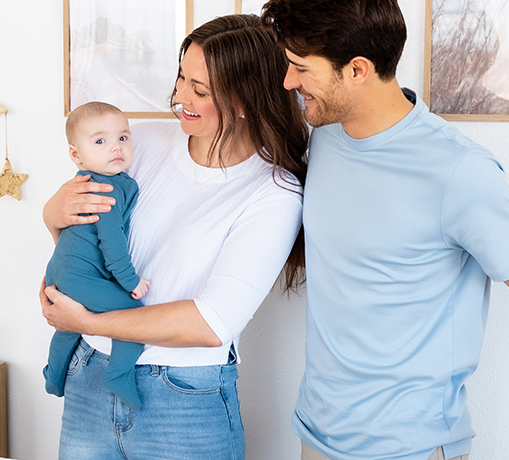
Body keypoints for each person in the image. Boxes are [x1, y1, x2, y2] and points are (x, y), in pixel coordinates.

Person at [260, 1, 509, 460]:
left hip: (407, 448)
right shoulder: (327, 136)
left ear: (357, 70)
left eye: (299, 69)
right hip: (316, 434)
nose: (289, 81)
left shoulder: (459, 170)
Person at [40, 14, 309, 460]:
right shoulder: (135, 145)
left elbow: (209, 324)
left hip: (183, 399)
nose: (180, 95)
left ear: (246, 101)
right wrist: (51, 216)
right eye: (182, 76)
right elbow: (81, 240)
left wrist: (83, 321)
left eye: (200, 90)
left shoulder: (273, 192)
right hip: (88, 373)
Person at [43, 101, 151, 412]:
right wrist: (131, 281)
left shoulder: (94, 184)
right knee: (133, 318)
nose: (115, 148)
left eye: (123, 137)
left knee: (68, 325)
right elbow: (112, 243)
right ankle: (118, 374)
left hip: (60, 271)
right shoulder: (104, 190)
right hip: (81, 277)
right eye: (100, 141)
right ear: (76, 155)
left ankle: (54, 374)